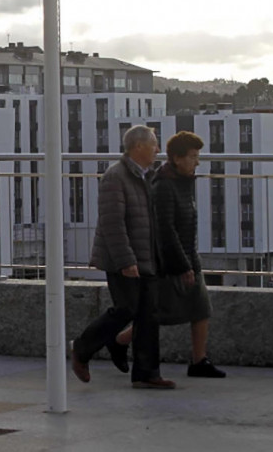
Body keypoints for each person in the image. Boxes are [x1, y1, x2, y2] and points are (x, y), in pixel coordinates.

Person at [70, 125, 175, 389]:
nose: (158, 150)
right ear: (138, 147)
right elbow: (112, 224)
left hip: (147, 257)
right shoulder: (115, 177)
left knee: (148, 315)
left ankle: (147, 374)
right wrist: (126, 261)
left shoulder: (147, 176)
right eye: (154, 144)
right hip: (123, 258)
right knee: (126, 309)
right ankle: (83, 348)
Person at [113, 131, 225, 378]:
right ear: (176, 158)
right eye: (193, 156)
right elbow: (166, 231)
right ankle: (119, 341)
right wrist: (183, 266)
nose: (197, 162)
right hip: (170, 263)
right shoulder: (164, 186)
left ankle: (199, 361)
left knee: (200, 308)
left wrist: (192, 262)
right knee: (160, 313)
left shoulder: (183, 182)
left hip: (187, 258)